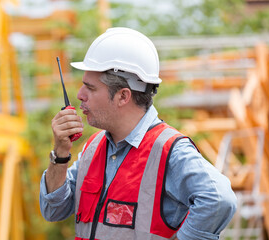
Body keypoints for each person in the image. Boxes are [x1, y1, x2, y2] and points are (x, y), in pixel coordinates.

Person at [40, 27, 237, 240]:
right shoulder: (93, 148)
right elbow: (54, 210)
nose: (80, 95)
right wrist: (60, 154)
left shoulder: (168, 150)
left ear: (123, 96)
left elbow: (219, 200)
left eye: (91, 88)